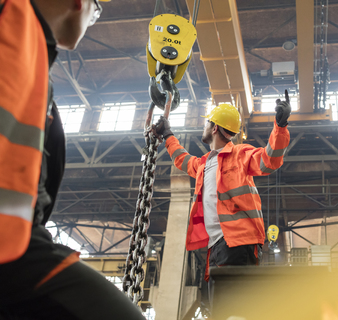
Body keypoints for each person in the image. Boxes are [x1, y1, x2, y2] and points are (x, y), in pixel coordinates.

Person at [0, 0, 145, 318]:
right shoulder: (12, 30)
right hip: (13, 254)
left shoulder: (32, 52)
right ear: (80, 4)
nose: (92, 20)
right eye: (97, 13)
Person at [156, 91, 291, 280]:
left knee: (233, 306)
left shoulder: (240, 154)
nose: (203, 126)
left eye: (207, 122)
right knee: (218, 306)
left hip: (239, 242)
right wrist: (167, 134)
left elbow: (270, 161)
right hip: (217, 245)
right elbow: (181, 159)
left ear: (214, 128)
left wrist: (281, 126)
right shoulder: (203, 165)